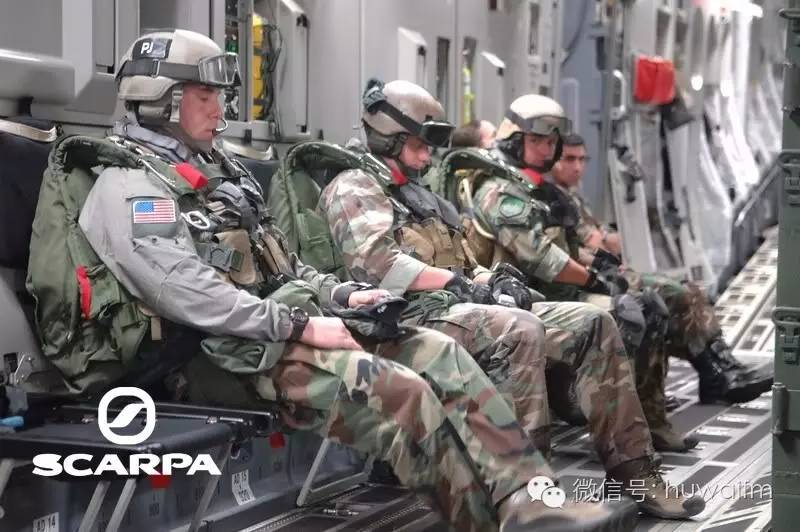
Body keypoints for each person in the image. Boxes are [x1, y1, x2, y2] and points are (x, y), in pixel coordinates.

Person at [25, 30, 641, 532]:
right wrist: (301, 324)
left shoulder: (220, 173)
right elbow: (188, 295)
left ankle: (532, 501)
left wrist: (342, 296)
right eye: (203, 95)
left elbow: (284, 267)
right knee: (402, 394)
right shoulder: (129, 187)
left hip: (270, 333)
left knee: (441, 355)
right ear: (160, 98)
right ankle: (495, 523)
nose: (219, 109)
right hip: (209, 356)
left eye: (220, 95)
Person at [318, 78, 704, 519]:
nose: (428, 157)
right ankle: (530, 496)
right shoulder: (355, 187)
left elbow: (465, 261)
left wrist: (494, 280)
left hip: (459, 309)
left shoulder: (419, 195)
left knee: (593, 323)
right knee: (519, 329)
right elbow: (378, 266)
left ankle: (635, 472)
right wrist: (460, 284)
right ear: (389, 137)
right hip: (402, 319)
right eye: (419, 146)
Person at [479, 94, 772, 408]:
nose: (547, 150)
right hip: (534, 292)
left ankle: (716, 372)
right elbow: (544, 259)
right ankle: (636, 402)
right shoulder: (501, 193)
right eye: (537, 141)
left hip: (562, 284)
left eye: (552, 142)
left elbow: (570, 247)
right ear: (513, 141)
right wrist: (596, 280)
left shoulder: (537, 190)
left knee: (676, 293)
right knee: (640, 307)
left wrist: (605, 270)